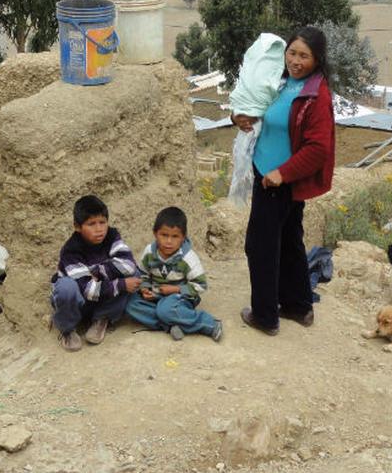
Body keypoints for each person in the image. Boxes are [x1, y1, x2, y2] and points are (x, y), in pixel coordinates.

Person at [231, 26, 336, 335]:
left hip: (278, 182)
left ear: (318, 60)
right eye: (292, 53)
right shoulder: (284, 81)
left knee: (260, 246)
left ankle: (264, 316)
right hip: (268, 172)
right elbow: (258, 107)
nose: (296, 61)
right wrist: (238, 117)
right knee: (290, 243)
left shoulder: (316, 94)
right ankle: (299, 306)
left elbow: (318, 149)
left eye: (305, 56)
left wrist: (282, 174)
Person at [50, 195, 141, 351]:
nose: (99, 229)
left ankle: (102, 317)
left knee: (136, 275)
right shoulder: (71, 250)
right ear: (77, 227)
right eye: (91, 224)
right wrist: (120, 283)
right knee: (66, 287)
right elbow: (88, 291)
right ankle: (68, 328)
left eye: (102, 222)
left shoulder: (112, 236)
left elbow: (129, 265)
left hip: (101, 295)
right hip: (79, 303)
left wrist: (97, 270)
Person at [126, 206, 223, 342]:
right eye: (164, 235)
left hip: (181, 297)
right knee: (131, 304)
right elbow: (143, 274)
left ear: (183, 237)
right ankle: (171, 325)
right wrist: (144, 288)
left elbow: (201, 285)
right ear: (155, 233)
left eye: (175, 236)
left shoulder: (188, 257)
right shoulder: (149, 252)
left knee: (166, 309)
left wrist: (175, 289)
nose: (169, 241)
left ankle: (209, 324)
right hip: (156, 296)